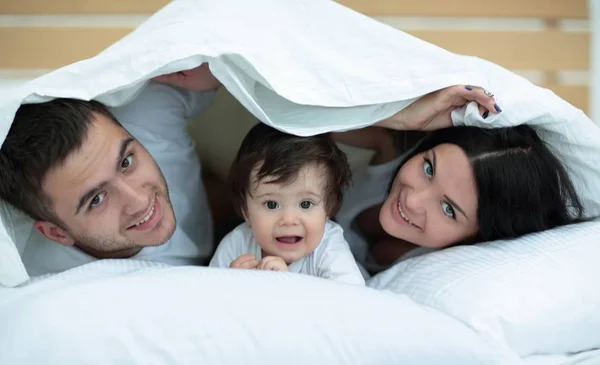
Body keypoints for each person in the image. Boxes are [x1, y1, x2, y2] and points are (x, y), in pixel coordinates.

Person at [334, 86, 586, 273]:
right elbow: (302, 117)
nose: (413, 200)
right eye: (429, 168)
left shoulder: (440, 268)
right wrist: (401, 118)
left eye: (448, 209)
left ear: (475, 235)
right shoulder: (393, 145)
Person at [0, 64, 222, 276]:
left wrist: (215, 74)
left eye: (126, 163)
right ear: (57, 233)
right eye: (96, 199)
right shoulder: (50, 288)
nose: (139, 201)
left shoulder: (147, 115)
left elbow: (229, 70)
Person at [209, 123, 365, 286]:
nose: (288, 220)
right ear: (245, 209)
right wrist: (229, 284)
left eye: (305, 204)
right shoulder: (237, 244)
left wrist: (288, 286)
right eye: (271, 204)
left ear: (329, 207)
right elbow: (207, 298)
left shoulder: (329, 248)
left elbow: (351, 302)